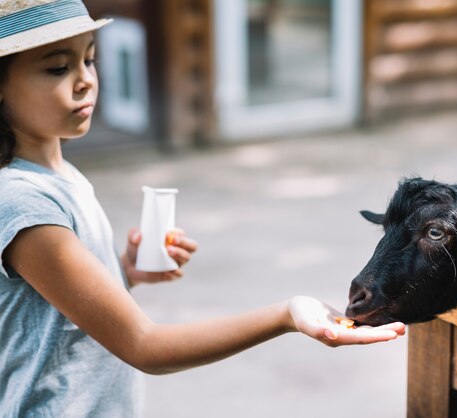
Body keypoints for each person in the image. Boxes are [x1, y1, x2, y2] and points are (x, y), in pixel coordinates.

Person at [0, 1, 405, 416]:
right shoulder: (24, 203)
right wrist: (285, 315)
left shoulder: (56, 171)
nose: (85, 80)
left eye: (89, 59)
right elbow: (144, 346)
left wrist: (122, 271)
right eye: (57, 68)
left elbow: (53, 308)